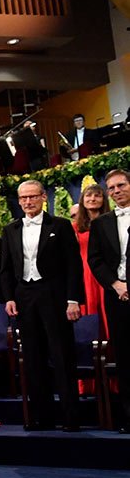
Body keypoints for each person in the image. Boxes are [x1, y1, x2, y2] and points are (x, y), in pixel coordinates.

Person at [0, 181, 83, 431]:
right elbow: (5, 269)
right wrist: (10, 297)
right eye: (23, 198)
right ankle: (42, 416)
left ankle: (71, 417)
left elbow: (73, 265)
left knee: (61, 355)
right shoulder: (10, 229)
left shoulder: (60, 225)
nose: (28, 202)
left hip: (55, 295)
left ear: (43, 197)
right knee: (33, 358)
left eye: (32, 197)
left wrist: (73, 299)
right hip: (25, 295)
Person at [87, 170, 130, 433]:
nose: (116, 191)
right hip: (117, 296)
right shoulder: (101, 223)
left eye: (121, 185)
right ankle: (128, 416)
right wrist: (116, 285)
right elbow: (95, 260)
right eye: (111, 188)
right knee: (125, 357)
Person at [74, 184, 110, 336]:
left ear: (104, 200)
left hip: (107, 271)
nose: (92, 199)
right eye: (89, 195)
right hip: (85, 274)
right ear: (82, 200)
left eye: (97, 195)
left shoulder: (111, 222)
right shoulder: (74, 227)